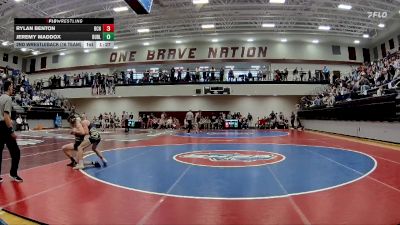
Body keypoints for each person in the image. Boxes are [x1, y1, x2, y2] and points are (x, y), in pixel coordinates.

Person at [0, 81, 23, 182]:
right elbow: (5, 116)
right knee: (16, 152)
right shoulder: (8, 98)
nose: (13, 88)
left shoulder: (0, 97)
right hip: (4, 127)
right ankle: (13, 173)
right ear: (9, 87)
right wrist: (11, 130)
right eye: (12, 86)